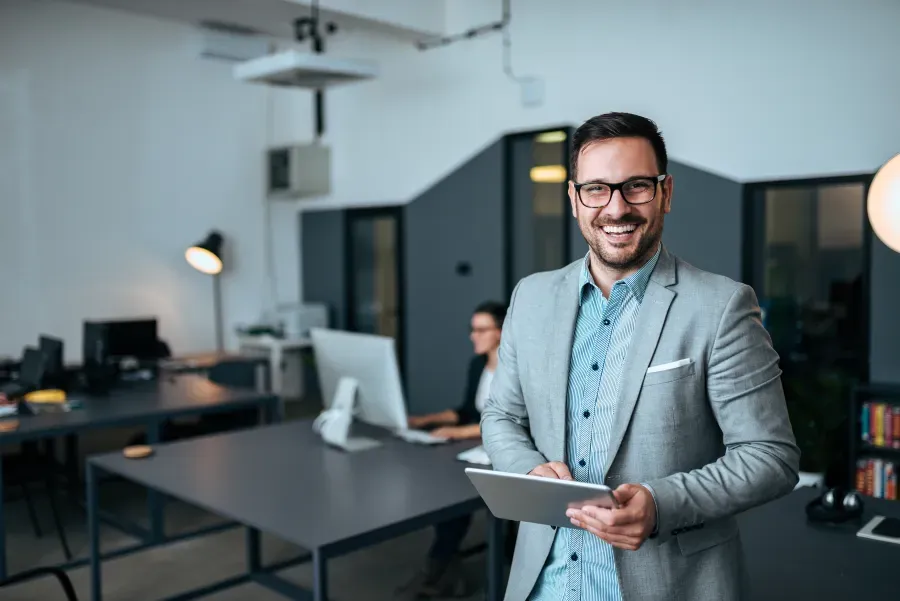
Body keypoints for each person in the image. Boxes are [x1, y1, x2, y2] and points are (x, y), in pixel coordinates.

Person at [480, 112, 800, 601]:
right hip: (544, 584)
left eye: (635, 187)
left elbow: (770, 456)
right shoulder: (532, 296)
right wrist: (527, 469)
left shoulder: (720, 306)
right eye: (596, 190)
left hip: (669, 586)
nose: (616, 208)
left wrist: (660, 503)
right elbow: (501, 415)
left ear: (665, 193)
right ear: (573, 199)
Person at [403, 300, 507, 598]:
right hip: (474, 448)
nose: (473, 336)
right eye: (472, 329)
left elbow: (509, 420)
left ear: (500, 332)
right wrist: (427, 419)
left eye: (480, 330)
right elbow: (466, 410)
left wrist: (457, 432)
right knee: (441, 488)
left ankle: (437, 569)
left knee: (455, 499)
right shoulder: (478, 365)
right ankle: (443, 565)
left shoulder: (514, 369)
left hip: (499, 450)